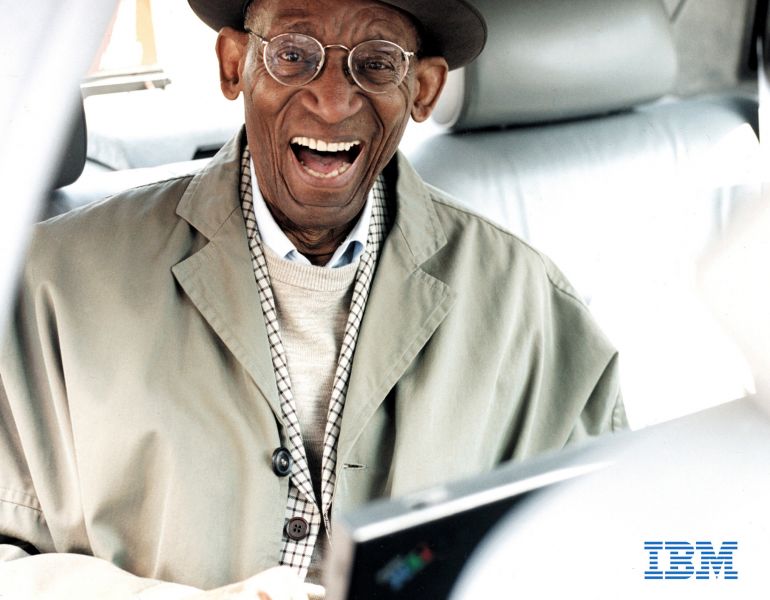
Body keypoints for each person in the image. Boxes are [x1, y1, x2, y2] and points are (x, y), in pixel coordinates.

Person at [0, 0, 627, 597]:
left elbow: (606, 547)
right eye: (294, 55)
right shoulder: (47, 287)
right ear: (233, 64)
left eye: (376, 63)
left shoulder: (529, 307)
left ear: (424, 89)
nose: (331, 101)